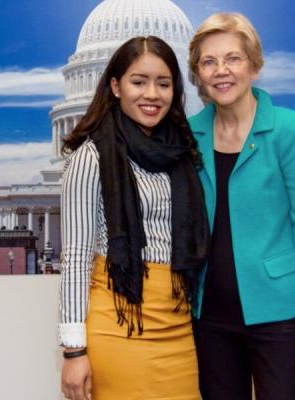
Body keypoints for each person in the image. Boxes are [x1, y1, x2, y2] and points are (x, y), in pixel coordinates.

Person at [188, 13, 295, 400]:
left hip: (282, 320)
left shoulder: (291, 130)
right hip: (209, 321)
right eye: (209, 62)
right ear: (198, 74)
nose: (221, 71)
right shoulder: (188, 134)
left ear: (254, 66)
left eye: (233, 59)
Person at [58, 36, 209, 400]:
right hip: (120, 321)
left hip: (178, 322)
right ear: (115, 86)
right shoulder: (90, 157)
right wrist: (74, 350)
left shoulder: (182, 155)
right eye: (138, 82)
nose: (152, 94)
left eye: (164, 83)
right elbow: (76, 258)